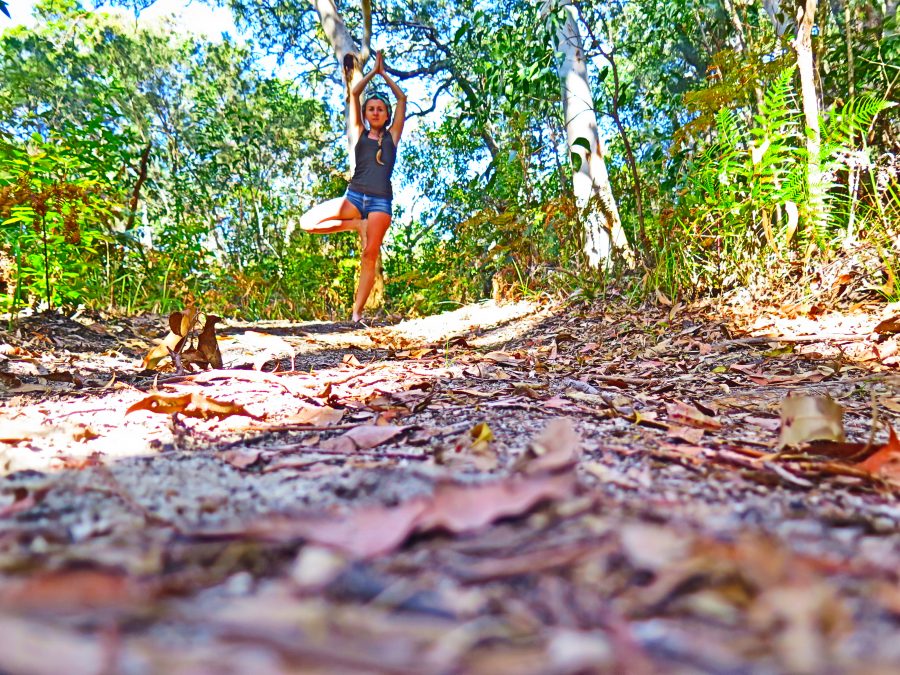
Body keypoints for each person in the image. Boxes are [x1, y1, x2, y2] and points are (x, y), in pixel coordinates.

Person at [298, 51, 407, 323]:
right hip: (354, 197)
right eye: (371, 108)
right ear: (366, 113)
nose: (375, 112)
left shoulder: (393, 137)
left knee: (369, 254)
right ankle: (358, 224)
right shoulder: (359, 131)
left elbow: (402, 99)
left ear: (387, 114)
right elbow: (355, 93)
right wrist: (372, 73)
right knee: (307, 223)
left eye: (380, 109)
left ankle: (357, 313)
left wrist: (384, 74)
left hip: (381, 202)